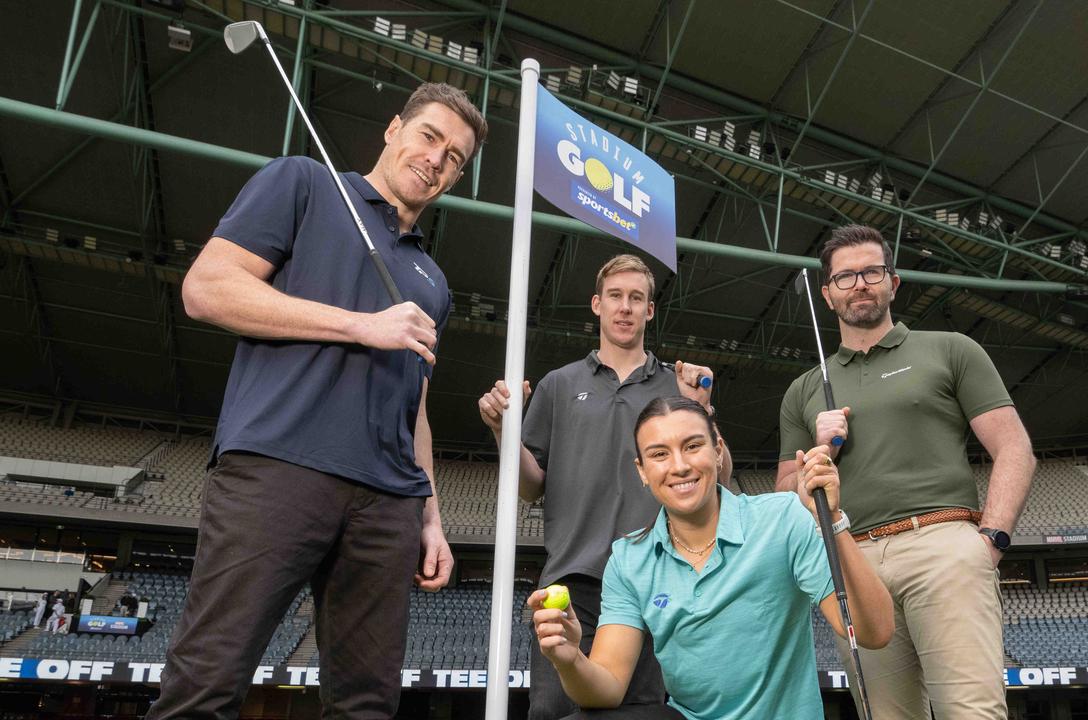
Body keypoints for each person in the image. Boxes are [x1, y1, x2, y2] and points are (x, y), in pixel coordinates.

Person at [146, 82, 488, 719]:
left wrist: (431, 514)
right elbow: (207, 288)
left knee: (366, 705)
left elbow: (415, 407)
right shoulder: (304, 183)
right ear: (394, 130)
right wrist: (361, 324)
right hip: (279, 468)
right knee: (206, 684)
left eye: (456, 157)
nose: (438, 158)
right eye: (429, 136)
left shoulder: (432, 280)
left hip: (389, 499)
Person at [776, 223, 1036, 720]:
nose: (860, 285)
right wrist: (817, 449)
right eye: (845, 277)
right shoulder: (805, 388)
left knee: (972, 713)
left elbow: (1015, 447)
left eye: (872, 272)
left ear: (893, 282)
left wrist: (991, 540)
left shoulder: (951, 349)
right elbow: (788, 491)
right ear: (828, 294)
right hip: (852, 558)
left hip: (943, 545)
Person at [529, 396, 893, 720]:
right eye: (659, 454)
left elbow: (874, 632)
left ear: (718, 451)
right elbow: (607, 689)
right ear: (641, 471)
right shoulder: (629, 559)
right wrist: (571, 658)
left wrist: (831, 521)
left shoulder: (782, 518)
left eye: (692, 446)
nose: (679, 466)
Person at [478, 254, 729, 720]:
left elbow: (719, 479)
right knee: (553, 710)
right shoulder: (558, 385)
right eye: (615, 296)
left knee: (644, 712)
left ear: (650, 310)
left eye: (637, 298)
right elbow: (530, 488)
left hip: (656, 578)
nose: (625, 307)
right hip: (571, 580)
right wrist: (502, 433)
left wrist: (703, 409)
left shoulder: (674, 388)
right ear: (597, 304)